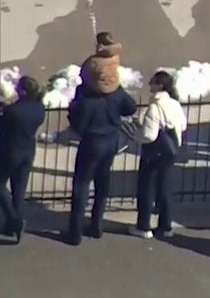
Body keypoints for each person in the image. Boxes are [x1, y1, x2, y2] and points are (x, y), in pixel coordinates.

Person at [64, 78, 138, 245]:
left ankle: (75, 233)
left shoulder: (86, 98)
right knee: (102, 182)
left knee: (81, 184)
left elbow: (77, 123)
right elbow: (131, 107)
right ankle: (97, 226)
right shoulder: (116, 92)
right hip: (111, 141)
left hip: (92, 142)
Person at [131, 71, 188, 240]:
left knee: (146, 189)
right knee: (164, 189)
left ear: (160, 86)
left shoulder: (155, 107)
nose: (150, 85)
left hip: (153, 151)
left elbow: (149, 135)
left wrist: (136, 135)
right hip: (169, 150)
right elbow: (183, 125)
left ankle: (144, 226)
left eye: (153, 82)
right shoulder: (174, 104)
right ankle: (165, 226)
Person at [0, 76, 45, 243]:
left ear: (24, 92)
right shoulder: (39, 109)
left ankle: (14, 220)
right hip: (28, 151)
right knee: (19, 190)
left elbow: (3, 127)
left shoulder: (13, 111)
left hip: (10, 151)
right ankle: (11, 227)